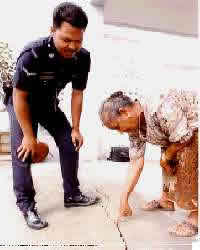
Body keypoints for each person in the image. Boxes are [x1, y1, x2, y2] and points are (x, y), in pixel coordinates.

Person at [5, 2, 98, 230]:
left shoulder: (82, 57)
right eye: (66, 39)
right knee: (24, 152)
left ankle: (72, 194)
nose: (72, 46)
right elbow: (19, 97)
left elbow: (77, 94)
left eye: (78, 40)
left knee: (69, 142)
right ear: (52, 30)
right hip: (22, 103)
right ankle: (26, 206)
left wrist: (75, 127)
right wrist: (29, 135)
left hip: (48, 103)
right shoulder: (32, 54)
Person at [99, 89, 198, 237]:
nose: (120, 132)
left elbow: (186, 137)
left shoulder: (162, 107)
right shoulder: (134, 126)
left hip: (193, 130)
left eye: (117, 127)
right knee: (167, 158)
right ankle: (167, 201)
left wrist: (167, 156)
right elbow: (136, 161)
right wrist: (124, 198)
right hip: (179, 136)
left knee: (184, 157)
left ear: (124, 112)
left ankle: (196, 215)